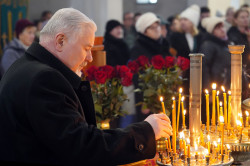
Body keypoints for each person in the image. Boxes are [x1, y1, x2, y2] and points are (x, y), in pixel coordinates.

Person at [0, 8, 172, 166]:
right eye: (87, 48)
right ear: (60, 41)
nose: (90, 58)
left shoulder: (25, 65)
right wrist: (146, 131)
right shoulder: (45, 79)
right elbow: (81, 146)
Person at [228, 9, 250, 100]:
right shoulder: (232, 33)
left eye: (247, 17)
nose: (245, 19)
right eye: (242, 17)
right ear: (236, 20)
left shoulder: (247, 32)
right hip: (239, 70)